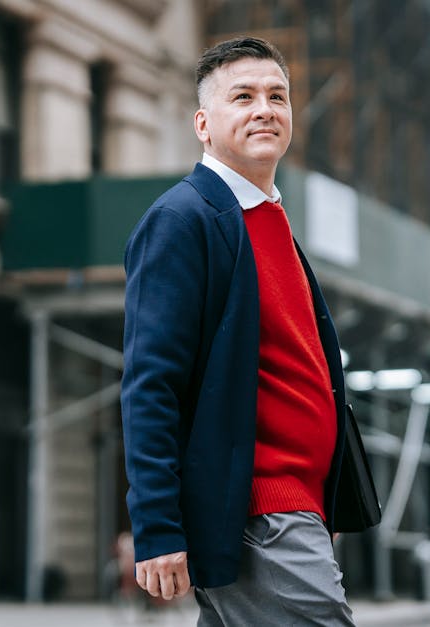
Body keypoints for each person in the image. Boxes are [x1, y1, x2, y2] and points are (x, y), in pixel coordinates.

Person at [121, 37, 357, 625]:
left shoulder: (269, 220)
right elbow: (151, 385)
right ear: (203, 123)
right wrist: (156, 525)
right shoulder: (184, 219)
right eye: (243, 96)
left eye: (278, 96)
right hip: (259, 511)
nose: (265, 109)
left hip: (296, 507)